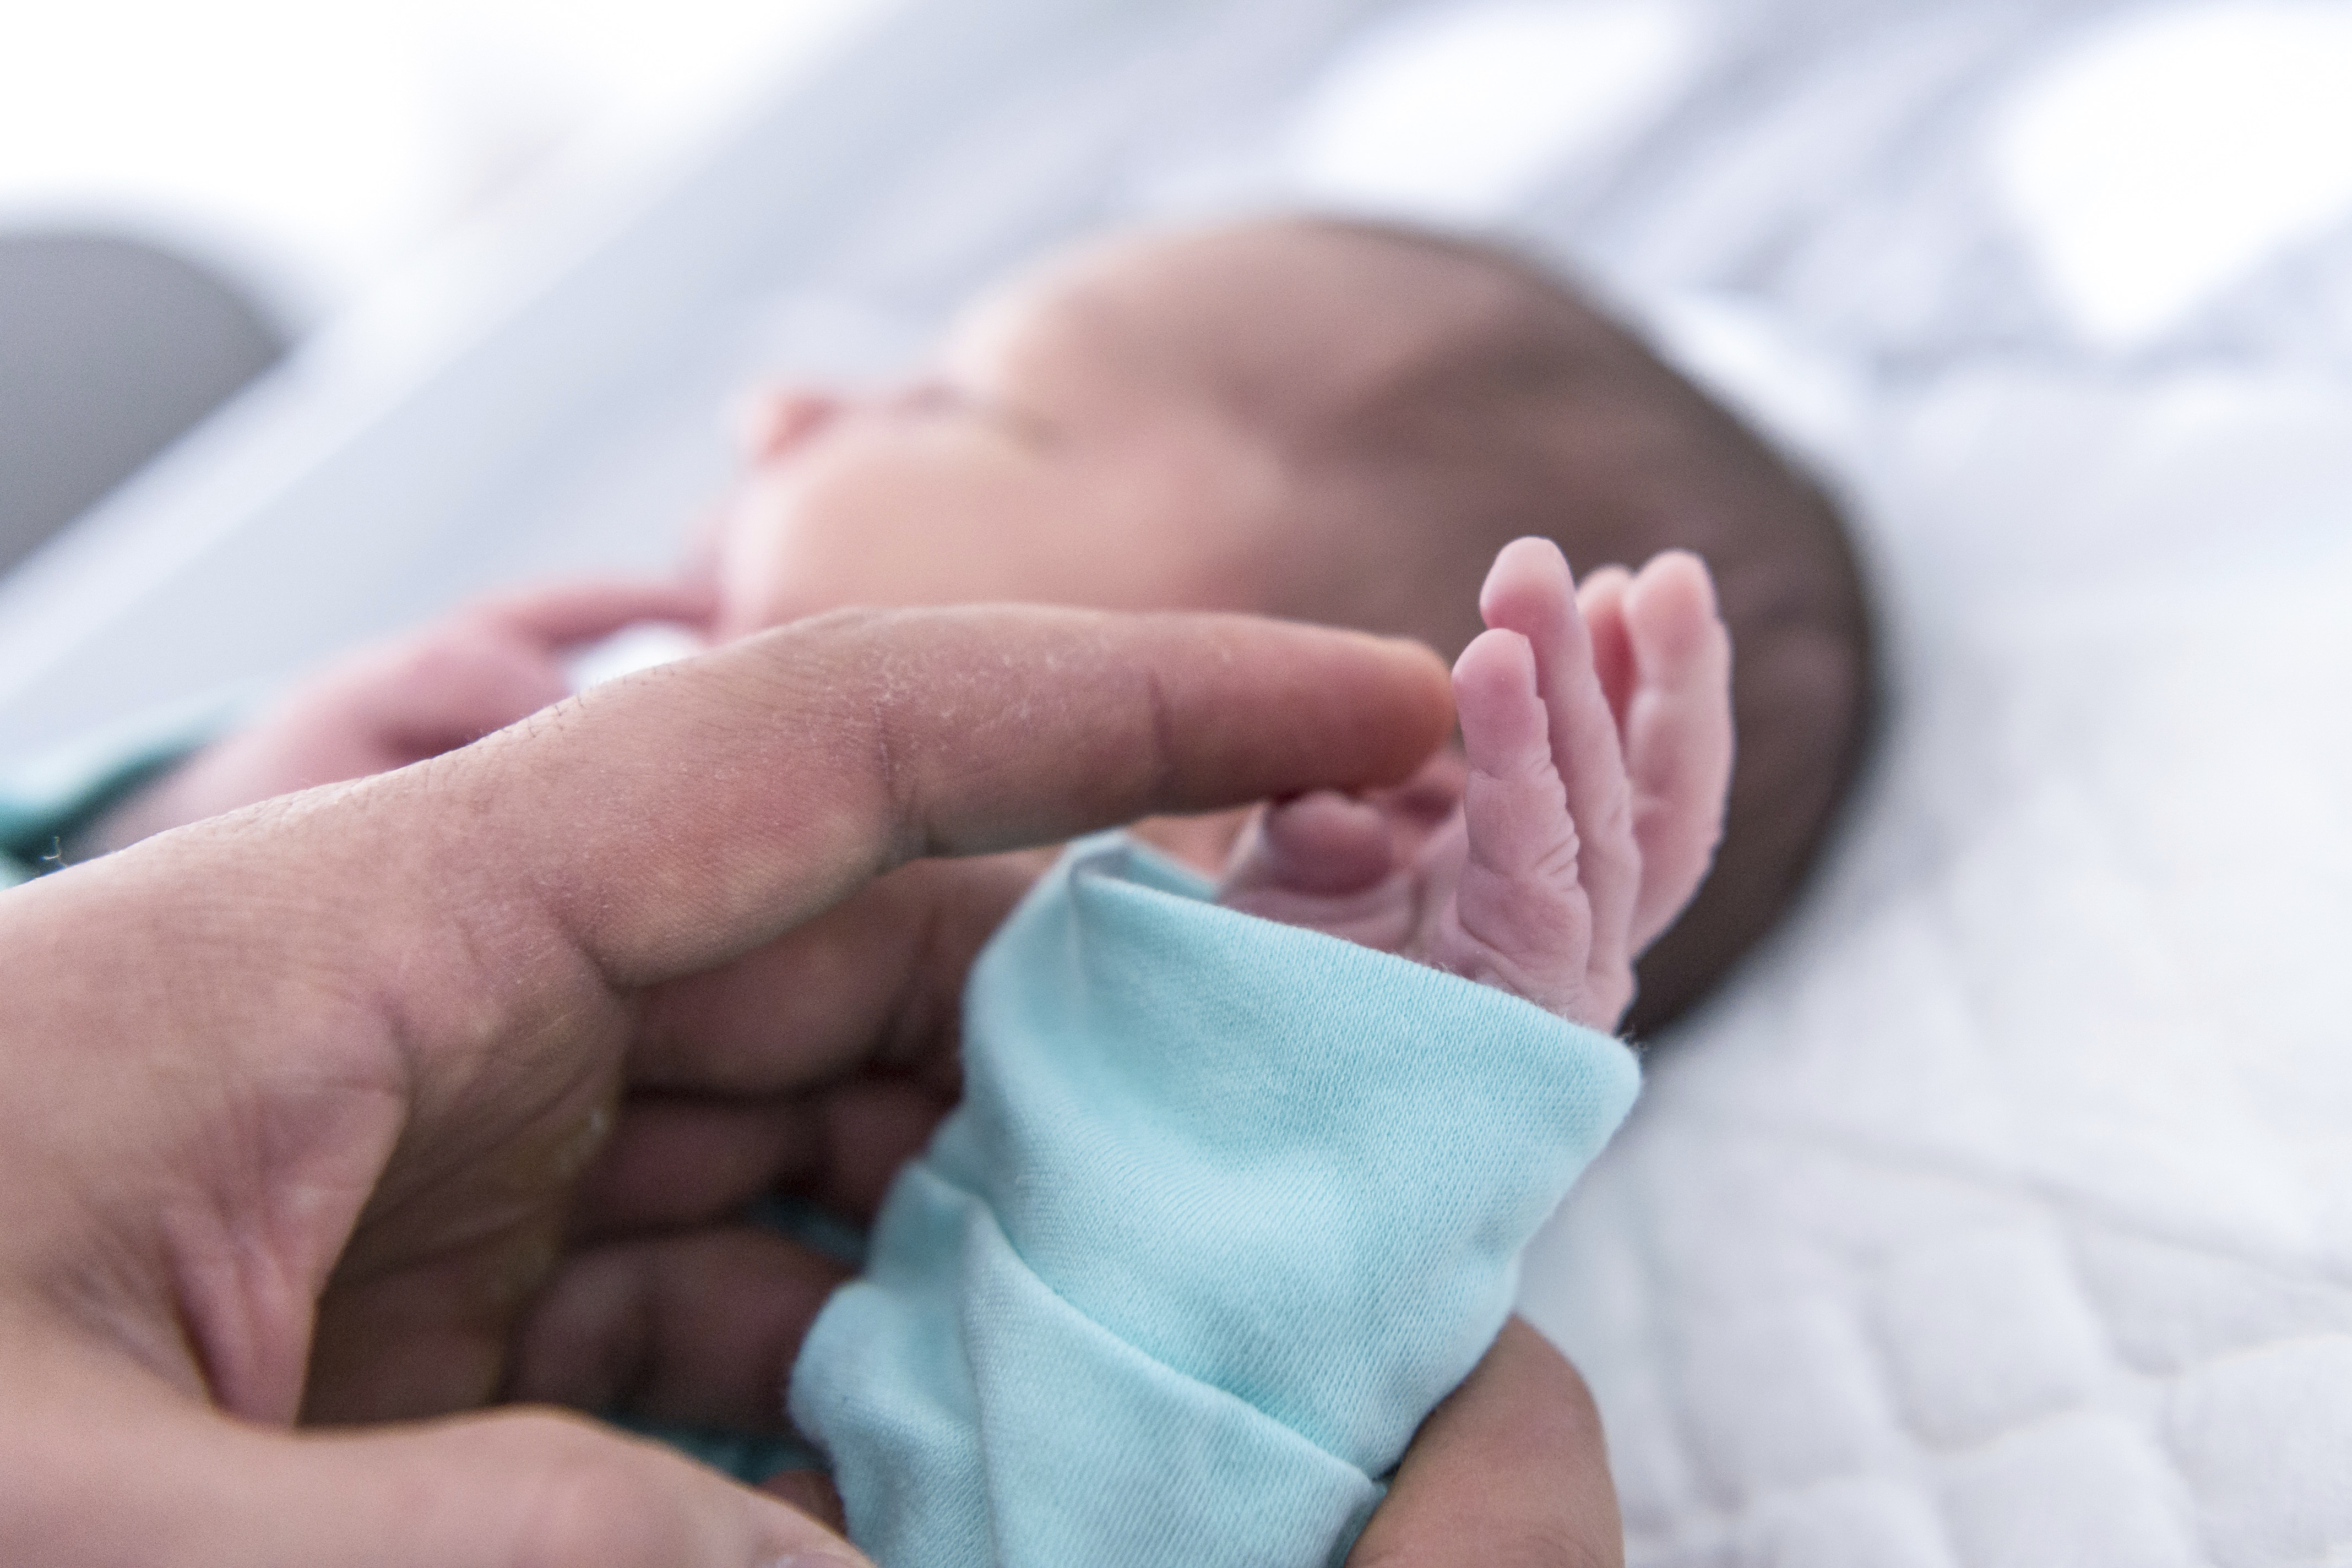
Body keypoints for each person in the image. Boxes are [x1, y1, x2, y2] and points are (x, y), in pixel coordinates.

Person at [0, 605, 1627, 1566]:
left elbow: (1100, 1481)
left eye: (966, 415)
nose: (784, 417)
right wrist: (172, 814)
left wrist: (1277, 1109)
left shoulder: (977, 1352)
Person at [66, 215, 1871, 1037]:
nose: (780, 412)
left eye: (951, 400)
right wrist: (197, 835)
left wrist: (1340, 1104)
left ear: (1319, 770)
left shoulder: (1048, 1268)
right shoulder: (446, 791)